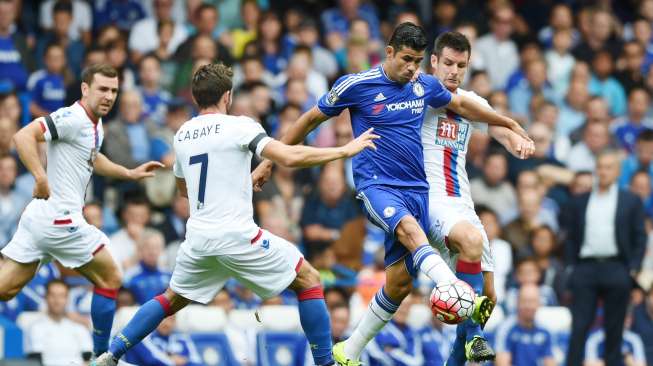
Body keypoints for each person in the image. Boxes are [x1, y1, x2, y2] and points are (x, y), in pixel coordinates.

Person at [251, 22, 530, 366]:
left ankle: (349, 351)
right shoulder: (357, 85)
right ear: (389, 52)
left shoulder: (423, 86)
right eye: (407, 60)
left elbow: (465, 106)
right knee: (413, 233)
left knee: (398, 285)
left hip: (416, 191)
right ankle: (457, 292)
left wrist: (510, 123)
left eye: (417, 60)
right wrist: (269, 162)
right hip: (377, 186)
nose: (412, 67)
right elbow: (310, 119)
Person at [91, 62, 379, 366]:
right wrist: (344, 150)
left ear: (195, 96)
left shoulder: (183, 135)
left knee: (170, 298)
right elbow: (288, 156)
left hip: (199, 239)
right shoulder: (240, 125)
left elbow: (183, 191)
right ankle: (326, 363)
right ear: (227, 96)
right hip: (236, 235)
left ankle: (111, 354)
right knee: (308, 278)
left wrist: (236, 181)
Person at [0, 64, 163, 358]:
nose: (109, 96)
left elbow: (92, 157)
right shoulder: (72, 117)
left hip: (41, 217)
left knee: (5, 289)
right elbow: (23, 136)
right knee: (112, 277)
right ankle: (102, 357)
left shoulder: (94, 124)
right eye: (103, 89)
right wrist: (39, 175)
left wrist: (128, 173)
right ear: (85, 89)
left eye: (114, 90)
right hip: (59, 219)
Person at [423, 31, 535, 364]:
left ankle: (457, 358)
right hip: (431, 200)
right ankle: (473, 338)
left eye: (461, 65)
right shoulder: (421, 93)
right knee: (471, 242)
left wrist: (515, 142)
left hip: (462, 203)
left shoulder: (473, 103)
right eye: (447, 63)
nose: (454, 71)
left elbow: (498, 131)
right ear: (433, 62)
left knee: (488, 297)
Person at [563, 150, 647, 366]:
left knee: (615, 327)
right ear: (595, 170)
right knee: (580, 325)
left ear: (618, 172)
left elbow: (640, 236)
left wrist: (634, 268)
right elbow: (570, 237)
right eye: (600, 167)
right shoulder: (580, 201)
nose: (603, 172)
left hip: (617, 267)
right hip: (585, 268)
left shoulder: (631, 200)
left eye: (609, 167)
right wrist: (572, 266)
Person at [24, 279, 93, 366]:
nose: (57, 301)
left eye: (61, 296)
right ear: (45, 297)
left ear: (67, 299)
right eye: (53, 295)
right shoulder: (36, 328)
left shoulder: (79, 328)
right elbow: (35, 361)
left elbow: (89, 359)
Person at [494, 284, 556, 366]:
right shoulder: (505, 329)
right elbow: (501, 363)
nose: (528, 306)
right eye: (525, 301)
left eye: (532, 301)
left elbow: (550, 362)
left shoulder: (545, 331)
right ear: (517, 302)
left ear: (539, 304)